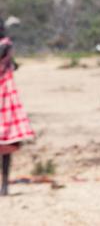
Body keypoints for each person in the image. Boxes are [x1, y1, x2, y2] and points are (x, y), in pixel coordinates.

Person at [0, 17, 35, 196]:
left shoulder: (4, 44)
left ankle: (4, 185)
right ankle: (4, 185)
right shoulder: (7, 45)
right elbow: (14, 66)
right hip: (5, 92)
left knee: (5, 143)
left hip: (3, 94)